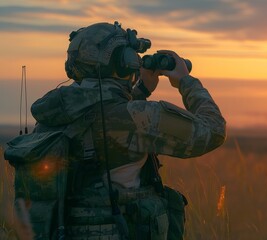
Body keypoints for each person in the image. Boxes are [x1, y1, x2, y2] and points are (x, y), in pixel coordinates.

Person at [28, 21, 226, 239]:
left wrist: (140, 91)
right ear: (123, 62)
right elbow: (213, 130)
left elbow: (101, 119)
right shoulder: (137, 117)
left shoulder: (53, 114)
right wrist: (186, 81)